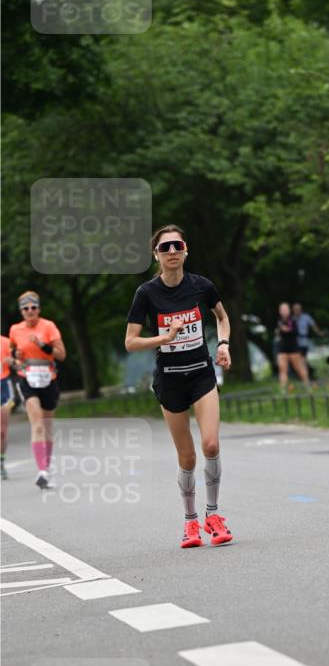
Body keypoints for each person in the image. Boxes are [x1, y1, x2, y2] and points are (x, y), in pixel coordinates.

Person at [125, 225, 233, 549]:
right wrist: (165, 338)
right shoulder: (147, 293)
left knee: (211, 445)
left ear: (186, 250)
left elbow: (222, 317)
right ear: (156, 255)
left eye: (177, 245)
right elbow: (130, 342)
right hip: (169, 379)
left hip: (201, 374)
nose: (172, 251)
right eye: (164, 247)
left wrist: (224, 344)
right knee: (186, 457)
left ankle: (213, 516)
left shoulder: (202, 286)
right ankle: (190, 522)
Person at [9, 292, 66, 489]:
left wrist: (42, 345)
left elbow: (62, 355)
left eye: (33, 307)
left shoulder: (48, 326)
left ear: (38, 309)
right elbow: (14, 357)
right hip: (27, 379)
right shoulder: (15, 330)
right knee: (38, 424)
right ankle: (41, 470)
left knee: (47, 426)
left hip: (49, 379)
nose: (30, 311)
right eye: (26, 308)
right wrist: (16, 358)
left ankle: (46, 468)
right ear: (21, 312)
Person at [276, 302, 310, 392]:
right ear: (279, 311)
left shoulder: (293, 320)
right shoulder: (279, 321)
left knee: (298, 368)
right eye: (282, 310)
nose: (284, 311)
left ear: (289, 310)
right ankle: (283, 389)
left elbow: (295, 332)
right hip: (282, 348)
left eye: (285, 309)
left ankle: (307, 385)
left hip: (293, 348)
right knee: (282, 369)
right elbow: (278, 333)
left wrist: (287, 330)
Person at [292, 302, 324, 373]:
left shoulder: (306, 317)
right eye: (295, 309)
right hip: (294, 342)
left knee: (302, 359)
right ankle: (305, 374)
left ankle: (306, 374)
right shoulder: (292, 319)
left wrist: (320, 333)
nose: (297, 311)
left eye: (298, 309)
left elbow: (314, 326)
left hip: (304, 342)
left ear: (301, 309)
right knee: (298, 360)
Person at [1, 334, 14, 480]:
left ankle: (1, 462)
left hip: (3, 386)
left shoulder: (5, 342)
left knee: (2, 432)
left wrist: (13, 362)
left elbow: (17, 363)